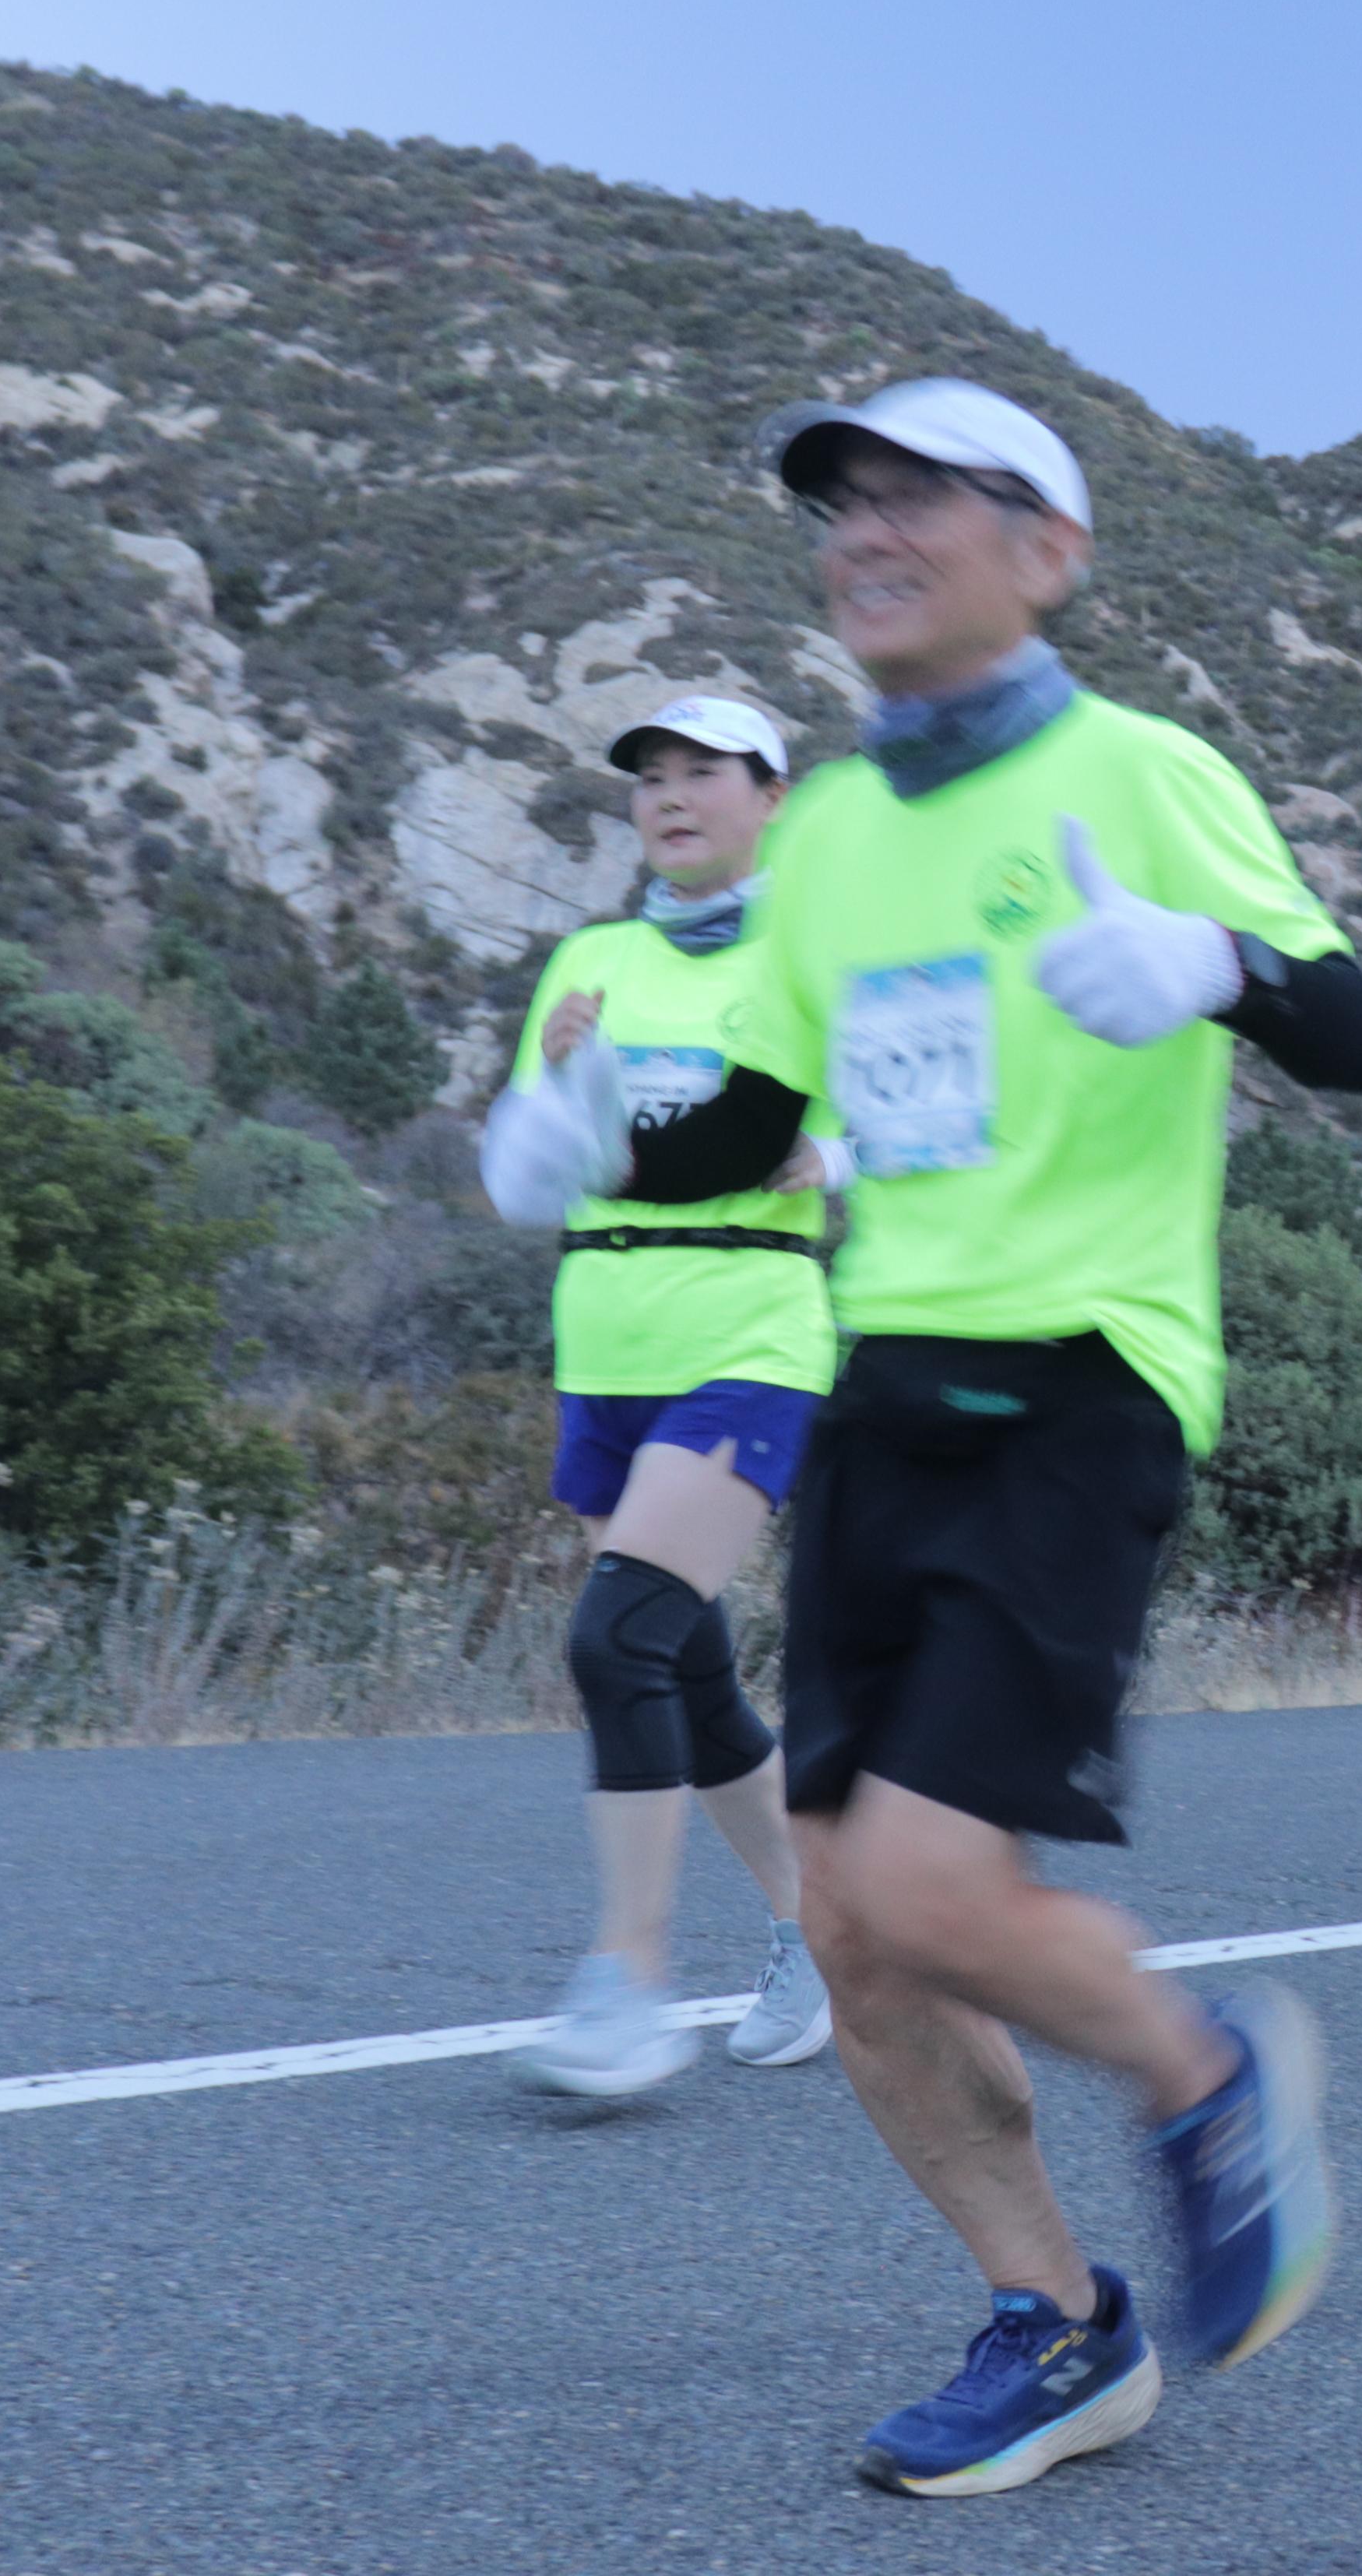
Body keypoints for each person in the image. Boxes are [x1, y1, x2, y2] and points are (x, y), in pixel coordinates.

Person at [515, 377, 1362, 2494]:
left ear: (1049, 551)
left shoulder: (1142, 771)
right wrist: (588, 1131)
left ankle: (1206, 2073)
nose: (870, 530)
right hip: (883, 1390)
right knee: (849, 1927)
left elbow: (1354, 1032)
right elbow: (762, 1112)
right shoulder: (826, 833)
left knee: (925, 1874)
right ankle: (1057, 2325)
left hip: (1082, 1376)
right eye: (844, 501)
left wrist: (1211, 964)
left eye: (924, 494)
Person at [498, 694, 839, 2093]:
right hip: (606, 1347)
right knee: (686, 1673)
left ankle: (628, 1984)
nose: (672, 795)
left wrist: (842, 1155)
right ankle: (821, 1928)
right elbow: (530, 1173)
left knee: (617, 1638)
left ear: (773, 797)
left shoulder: (814, 951)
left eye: (705, 771)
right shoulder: (591, 960)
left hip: (748, 1334)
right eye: (651, 776)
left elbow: (914, 1112)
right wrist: (560, 1094)